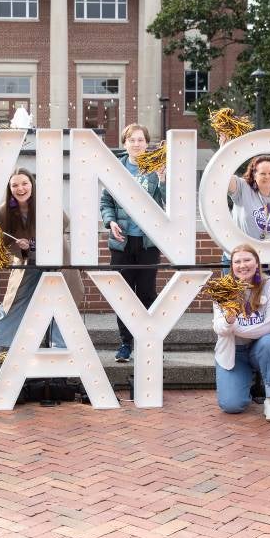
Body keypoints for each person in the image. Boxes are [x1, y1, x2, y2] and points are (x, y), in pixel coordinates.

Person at [0, 168, 83, 367]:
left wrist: (32, 244)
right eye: (15, 185)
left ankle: (62, 349)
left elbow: (60, 229)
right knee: (14, 302)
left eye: (24, 183)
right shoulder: (5, 210)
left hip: (57, 261)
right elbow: (7, 243)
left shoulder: (46, 204)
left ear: (32, 184)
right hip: (27, 262)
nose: (20, 188)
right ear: (9, 188)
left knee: (62, 303)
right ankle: (0, 345)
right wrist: (22, 248)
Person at [100, 123, 166, 363]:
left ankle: (149, 341)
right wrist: (110, 223)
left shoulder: (155, 168)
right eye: (132, 140)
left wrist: (163, 180)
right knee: (123, 295)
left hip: (148, 243)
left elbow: (168, 203)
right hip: (122, 243)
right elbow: (106, 202)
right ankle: (125, 343)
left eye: (140, 140)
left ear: (146, 143)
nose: (136, 144)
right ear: (124, 143)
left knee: (147, 293)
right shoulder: (117, 168)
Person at [212, 244, 270, 422]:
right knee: (231, 405)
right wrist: (229, 320)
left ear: (257, 262)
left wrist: (233, 327)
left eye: (247, 260)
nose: (242, 265)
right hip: (234, 352)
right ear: (231, 266)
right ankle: (249, 379)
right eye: (237, 261)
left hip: (259, 347)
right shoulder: (223, 289)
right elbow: (219, 329)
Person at [226, 155, 270, 243]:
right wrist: (225, 155)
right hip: (242, 254)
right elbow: (224, 177)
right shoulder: (242, 188)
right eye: (263, 173)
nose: (267, 176)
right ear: (254, 176)